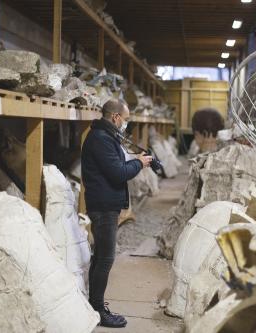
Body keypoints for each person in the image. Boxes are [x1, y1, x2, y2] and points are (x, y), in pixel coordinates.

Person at [81, 99, 152, 328]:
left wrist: (136, 161)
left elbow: (115, 167)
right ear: (115, 117)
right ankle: (98, 309)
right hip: (103, 207)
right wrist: (139, 163)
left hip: (104, 203)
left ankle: (94, 304)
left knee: (100, 256)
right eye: (126, 119)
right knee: (105, 258)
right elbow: (117, 173)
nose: (126, 123)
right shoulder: (101, 139)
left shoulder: (105, 137)